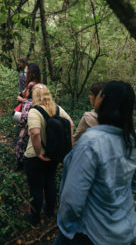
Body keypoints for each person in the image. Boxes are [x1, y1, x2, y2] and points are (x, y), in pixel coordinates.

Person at [54, 81, 136, 245]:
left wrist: (66, 226)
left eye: (98, 94)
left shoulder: (91, 142)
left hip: (90, 234)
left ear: (103, 99)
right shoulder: (130, 141)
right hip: (124, 230)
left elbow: (71, 201)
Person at [24, 84, 74, 226]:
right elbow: (70, 124)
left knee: (36, 188)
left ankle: (35, 219)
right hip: (52, 156)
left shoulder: (34, 111)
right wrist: (65, 148)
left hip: (35, 156)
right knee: (50, 183)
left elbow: (34, 133)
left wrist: (39, 152)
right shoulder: (57, 108)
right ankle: (49, 211)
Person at [15, 85, 33, 171]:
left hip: (27, 129)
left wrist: (20, 124)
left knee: (21, 145)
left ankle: (20, 166)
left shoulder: (28, 102)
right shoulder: (41, 102)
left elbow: (24, 118)